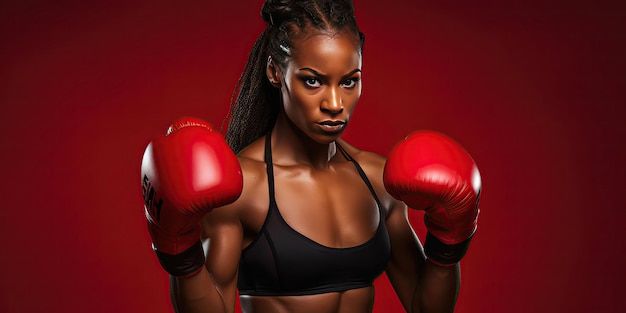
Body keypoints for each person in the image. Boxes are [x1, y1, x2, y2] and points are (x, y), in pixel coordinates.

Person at [140, 1, 481, 312]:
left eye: (349, 82)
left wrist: (448, 243)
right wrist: (180, 254)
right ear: (276, 73)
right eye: (313, 81)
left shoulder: (377, 181)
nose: (335, 104)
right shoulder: (245, 188)